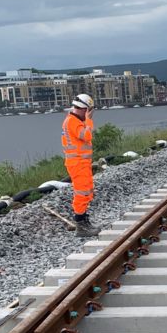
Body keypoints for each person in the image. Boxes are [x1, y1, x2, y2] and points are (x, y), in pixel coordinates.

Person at [62, 94, 100, 237]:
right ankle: (81, 225)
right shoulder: (72, 121)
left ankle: (84, 221)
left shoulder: (75, 120)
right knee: (82, 193)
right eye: (89, 111)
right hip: (77, 163)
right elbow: (86, 136)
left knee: (87, 192)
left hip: (82, 163)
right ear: (85, 109)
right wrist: (89, 121)